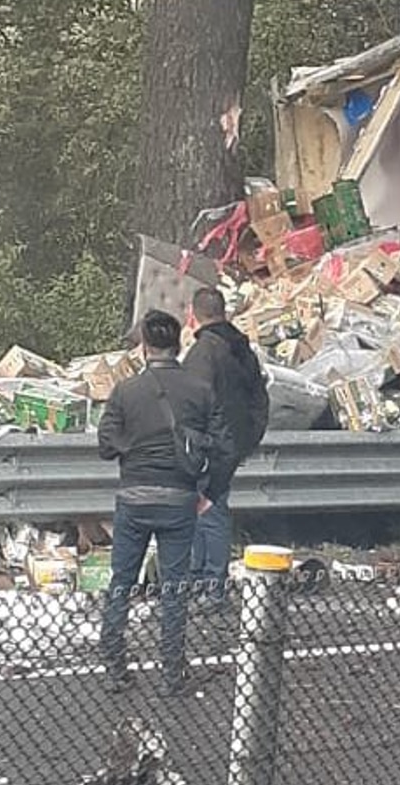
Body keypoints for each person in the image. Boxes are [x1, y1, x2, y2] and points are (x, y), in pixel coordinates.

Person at [97, 309, 234, 695]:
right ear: (179, 345)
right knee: (176, 587)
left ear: (144, 347)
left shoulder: (125, 391)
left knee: (122, 581)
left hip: (134, 499)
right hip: (179, 500)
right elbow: (224, 447)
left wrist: (134, 447)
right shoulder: (200, 390)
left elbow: (106, 446)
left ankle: (114, 667)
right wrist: (210, 493)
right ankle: (172, 674)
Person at [182, 286, 270, 610]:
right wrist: (247, 439)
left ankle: (207, 587)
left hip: (208, 447)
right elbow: (259, 398)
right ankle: (206, 584)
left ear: (194, 315)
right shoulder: (242, 349)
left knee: (206, 514)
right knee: (209, 511)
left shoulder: (203, 353)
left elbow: (191, 404)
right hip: (231, 444)